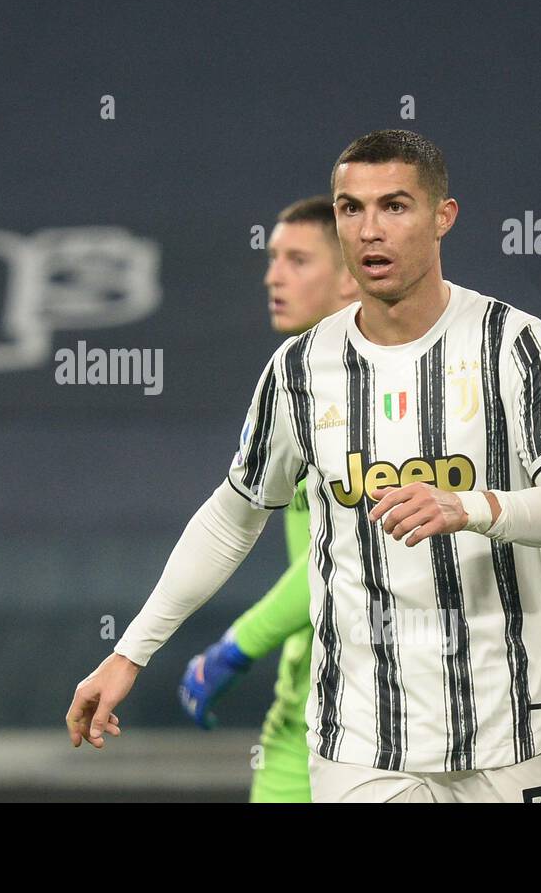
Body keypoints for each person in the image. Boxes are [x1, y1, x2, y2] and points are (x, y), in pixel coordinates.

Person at [66, 129, 541, 803]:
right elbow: (233, 517)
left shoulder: (511, 343)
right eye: (351, 208)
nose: (370, 229)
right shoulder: (298, 369)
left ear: (444, 217)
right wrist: (130, 650)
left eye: (396, 206)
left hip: (511, 726)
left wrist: (472, 506)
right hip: (360, 739)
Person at [176, 195, 357, 804]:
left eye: (298, 260)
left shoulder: (383, 398)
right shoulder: (291, 384)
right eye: (273, 257)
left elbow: (345, 557)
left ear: (352, 277)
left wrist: (237, 644)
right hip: (300, 708)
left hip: (381, 718)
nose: (272, 275)